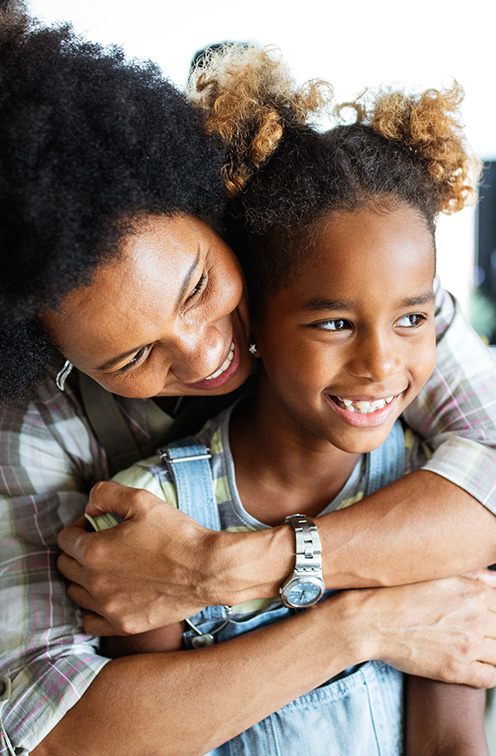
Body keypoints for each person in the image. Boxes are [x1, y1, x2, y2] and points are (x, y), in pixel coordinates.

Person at [0, 14, 495, 756]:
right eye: (132, 358)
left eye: (199, 285)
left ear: (209, 210)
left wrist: (224, 567)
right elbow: (58, 732)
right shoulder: (44, 428)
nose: (205, 355)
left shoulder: (345, 282)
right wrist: (355, 625)